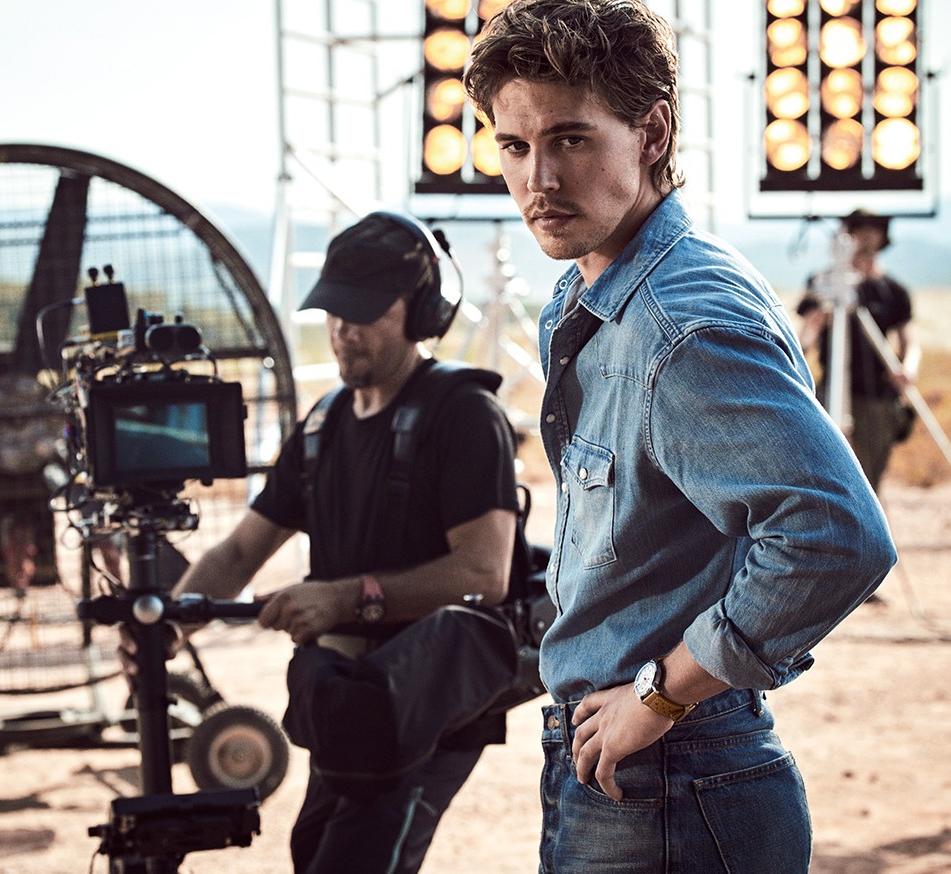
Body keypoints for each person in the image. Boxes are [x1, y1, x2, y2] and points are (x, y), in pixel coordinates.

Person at [462, 1, 897, 871]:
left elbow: (833, 535)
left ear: (651, 131)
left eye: (570, 140)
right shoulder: (589, 292)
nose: (536, 179)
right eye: (513, 147)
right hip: (624, 766)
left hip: (671, 779)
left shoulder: (681, 324)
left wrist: (658, 696)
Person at [122, 211, 520, 873]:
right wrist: (166, 632)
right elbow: (237, 554)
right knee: (313, 855)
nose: (342, 330)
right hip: (347, 697)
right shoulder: (325, 424)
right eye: (334, 311)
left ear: (421, 309)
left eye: (363, 312)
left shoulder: (463, 415)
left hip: (425, 699)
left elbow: (484, 571)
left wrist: (347, 598)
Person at [797, 209, 921, 492]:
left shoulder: (893, 290)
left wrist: (908, 368)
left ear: (882, 238)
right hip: (833, 391)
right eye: (858, 231)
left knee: (868, 482)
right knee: (828, 475)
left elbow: (909, 340)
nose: (865, 239)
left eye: (872, 232)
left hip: (876, 398)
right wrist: (813, 327)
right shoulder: (823, 284)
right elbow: (805, 337)